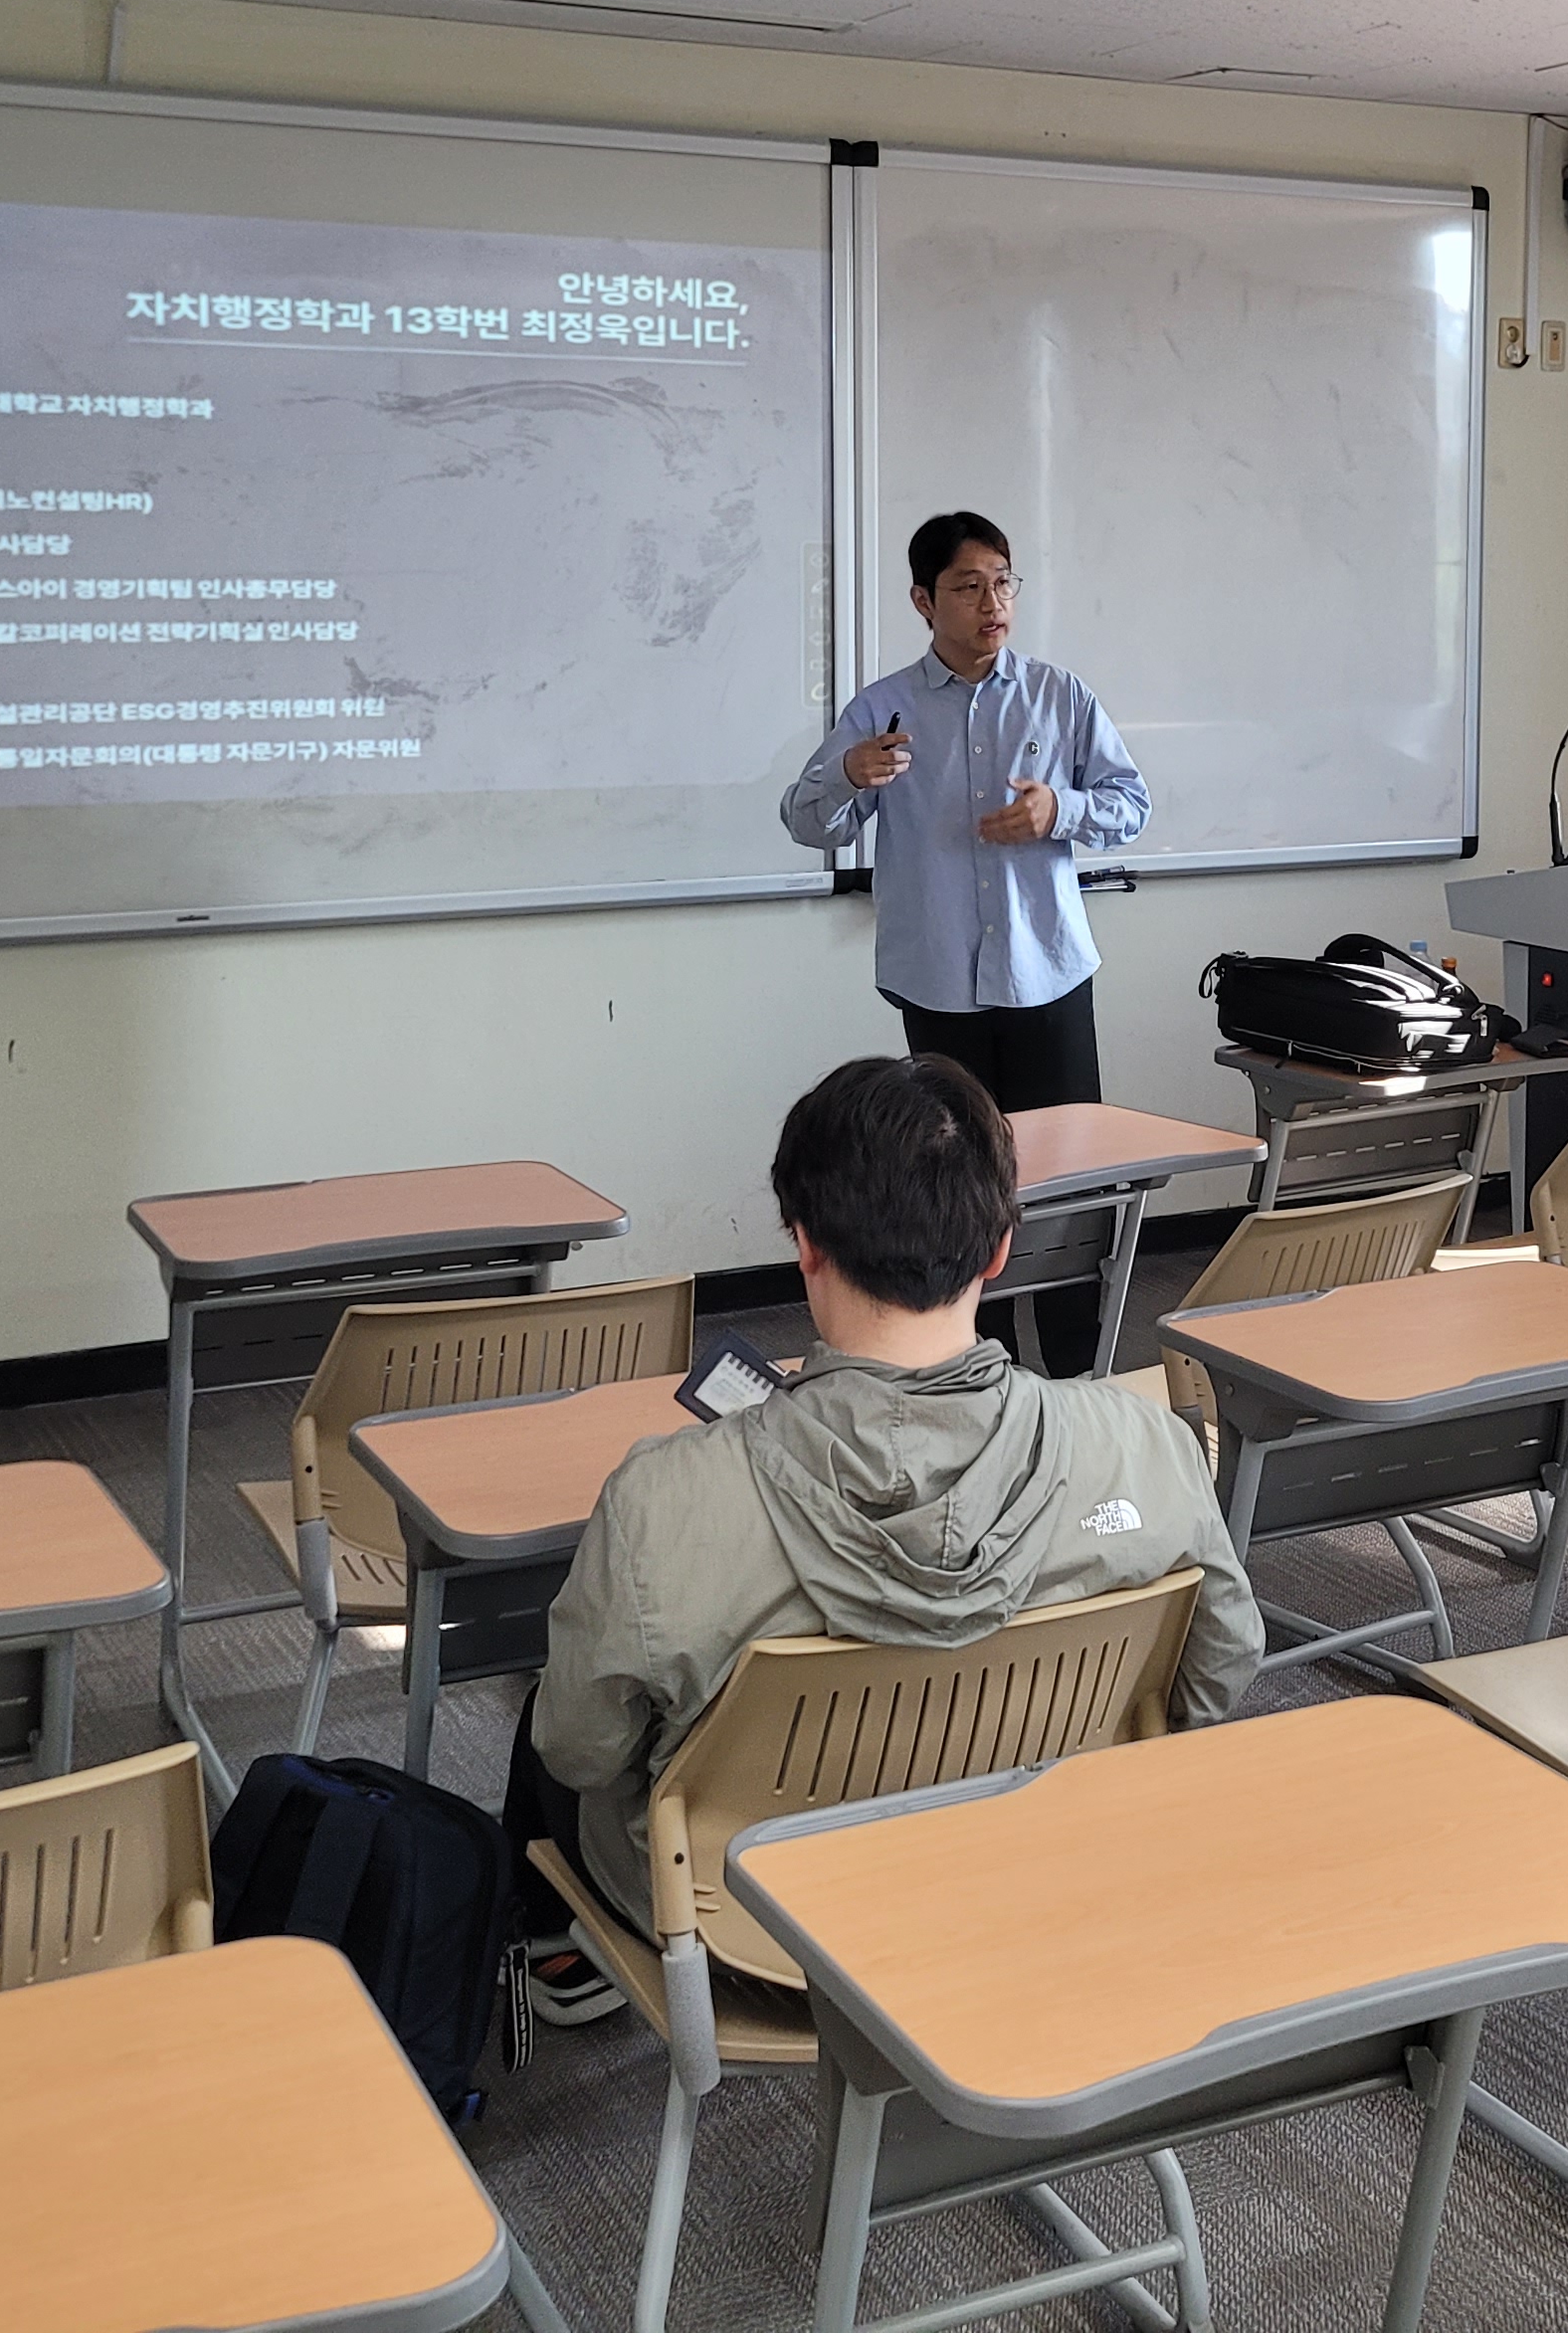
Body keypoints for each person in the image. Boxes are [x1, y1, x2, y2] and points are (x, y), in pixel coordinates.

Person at [504, 1053, 1260, 2023]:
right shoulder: (1146, 1448)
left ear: (805, 1244)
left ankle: (552, 1957)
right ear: (1000, 1247)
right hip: (1038, 1880)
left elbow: (579, 1752)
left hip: (748, 1931)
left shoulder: (660, 1503)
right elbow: (1220, 1669)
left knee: (564, 1697)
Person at [780, 509, 1149, 1369]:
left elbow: (1131, 804)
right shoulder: (884, 709)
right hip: (940, 986)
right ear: (924, 600)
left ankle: (1077, 1371)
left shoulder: (1060, 695)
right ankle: (976, 1371)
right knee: (957, 1187)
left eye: (1003, 583)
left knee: (1069, 1181)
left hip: (1048, 979)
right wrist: (849, 773)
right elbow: (805, 821)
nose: (993, 604)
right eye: (968, 587)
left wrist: (1061, 810)